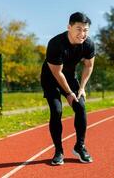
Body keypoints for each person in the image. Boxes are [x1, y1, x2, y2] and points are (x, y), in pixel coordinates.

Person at [41, 12, 95, 165]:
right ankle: (58, 151)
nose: (82, 34)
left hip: (70, 78)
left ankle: (80, 146)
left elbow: (89, 66)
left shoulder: (88, 44)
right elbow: (57, 73)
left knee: (80, 107)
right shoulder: (55, 44)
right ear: (69, 27)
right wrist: (69, 93)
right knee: (57, 111)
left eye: (85, 30)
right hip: (51, 79)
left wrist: (82, 88)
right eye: (78, 29)